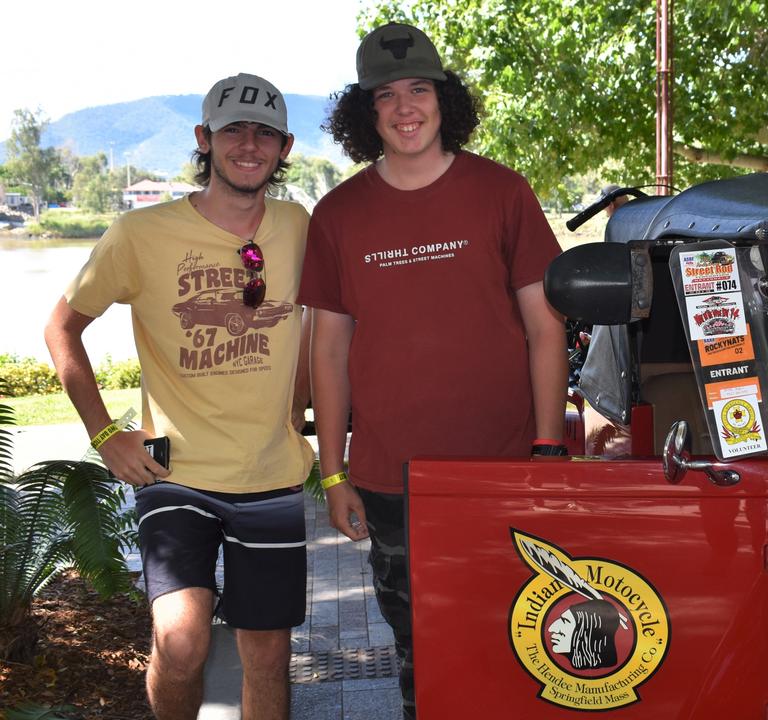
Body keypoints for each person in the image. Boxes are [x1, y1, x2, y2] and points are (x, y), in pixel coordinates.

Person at [300, 21, 567, 719]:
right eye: (385, 95)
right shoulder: (337, 214)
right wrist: (333, 471)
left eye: (419, 88)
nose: (405, 107)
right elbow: (327, 350)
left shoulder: (503, 193)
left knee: (519, 635)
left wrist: (547, 448)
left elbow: (547, 327)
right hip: (394, 481)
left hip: (504, 467)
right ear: (366, 113)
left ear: (446, 99)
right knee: (421, 648)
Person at [44, 73, 313, 720]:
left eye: (264, 133)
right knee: (181, 639)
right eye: (233, 130)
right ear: (205, 138)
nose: (248, 144)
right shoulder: (140, 234)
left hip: (271, 470)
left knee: (268, 657)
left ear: (284, 147)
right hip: (174, 470)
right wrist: (107, 435)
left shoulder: (300, 225)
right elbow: (62, 328)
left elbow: (331, 330)